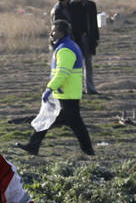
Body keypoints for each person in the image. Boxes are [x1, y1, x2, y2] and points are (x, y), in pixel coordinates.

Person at [16, 20, 94, 156]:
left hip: (67, 93)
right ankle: (33, 146)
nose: (51, 33)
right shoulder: (65, 46)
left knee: (61, 121)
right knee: (59, 121)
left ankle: (88, 151)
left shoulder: (65, 49)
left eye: (54, 31)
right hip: (67, 92)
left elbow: (62, 73)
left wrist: (50, 88)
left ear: (62, 33)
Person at [68, 0, 99, 94]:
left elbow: (94, 23)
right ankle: (77, 88)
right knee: (77, 65)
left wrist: (96, 38)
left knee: (89, 64)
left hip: (89, 38)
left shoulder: (91, 5)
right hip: (77, 39)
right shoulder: (73, 5)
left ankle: (90, 88)